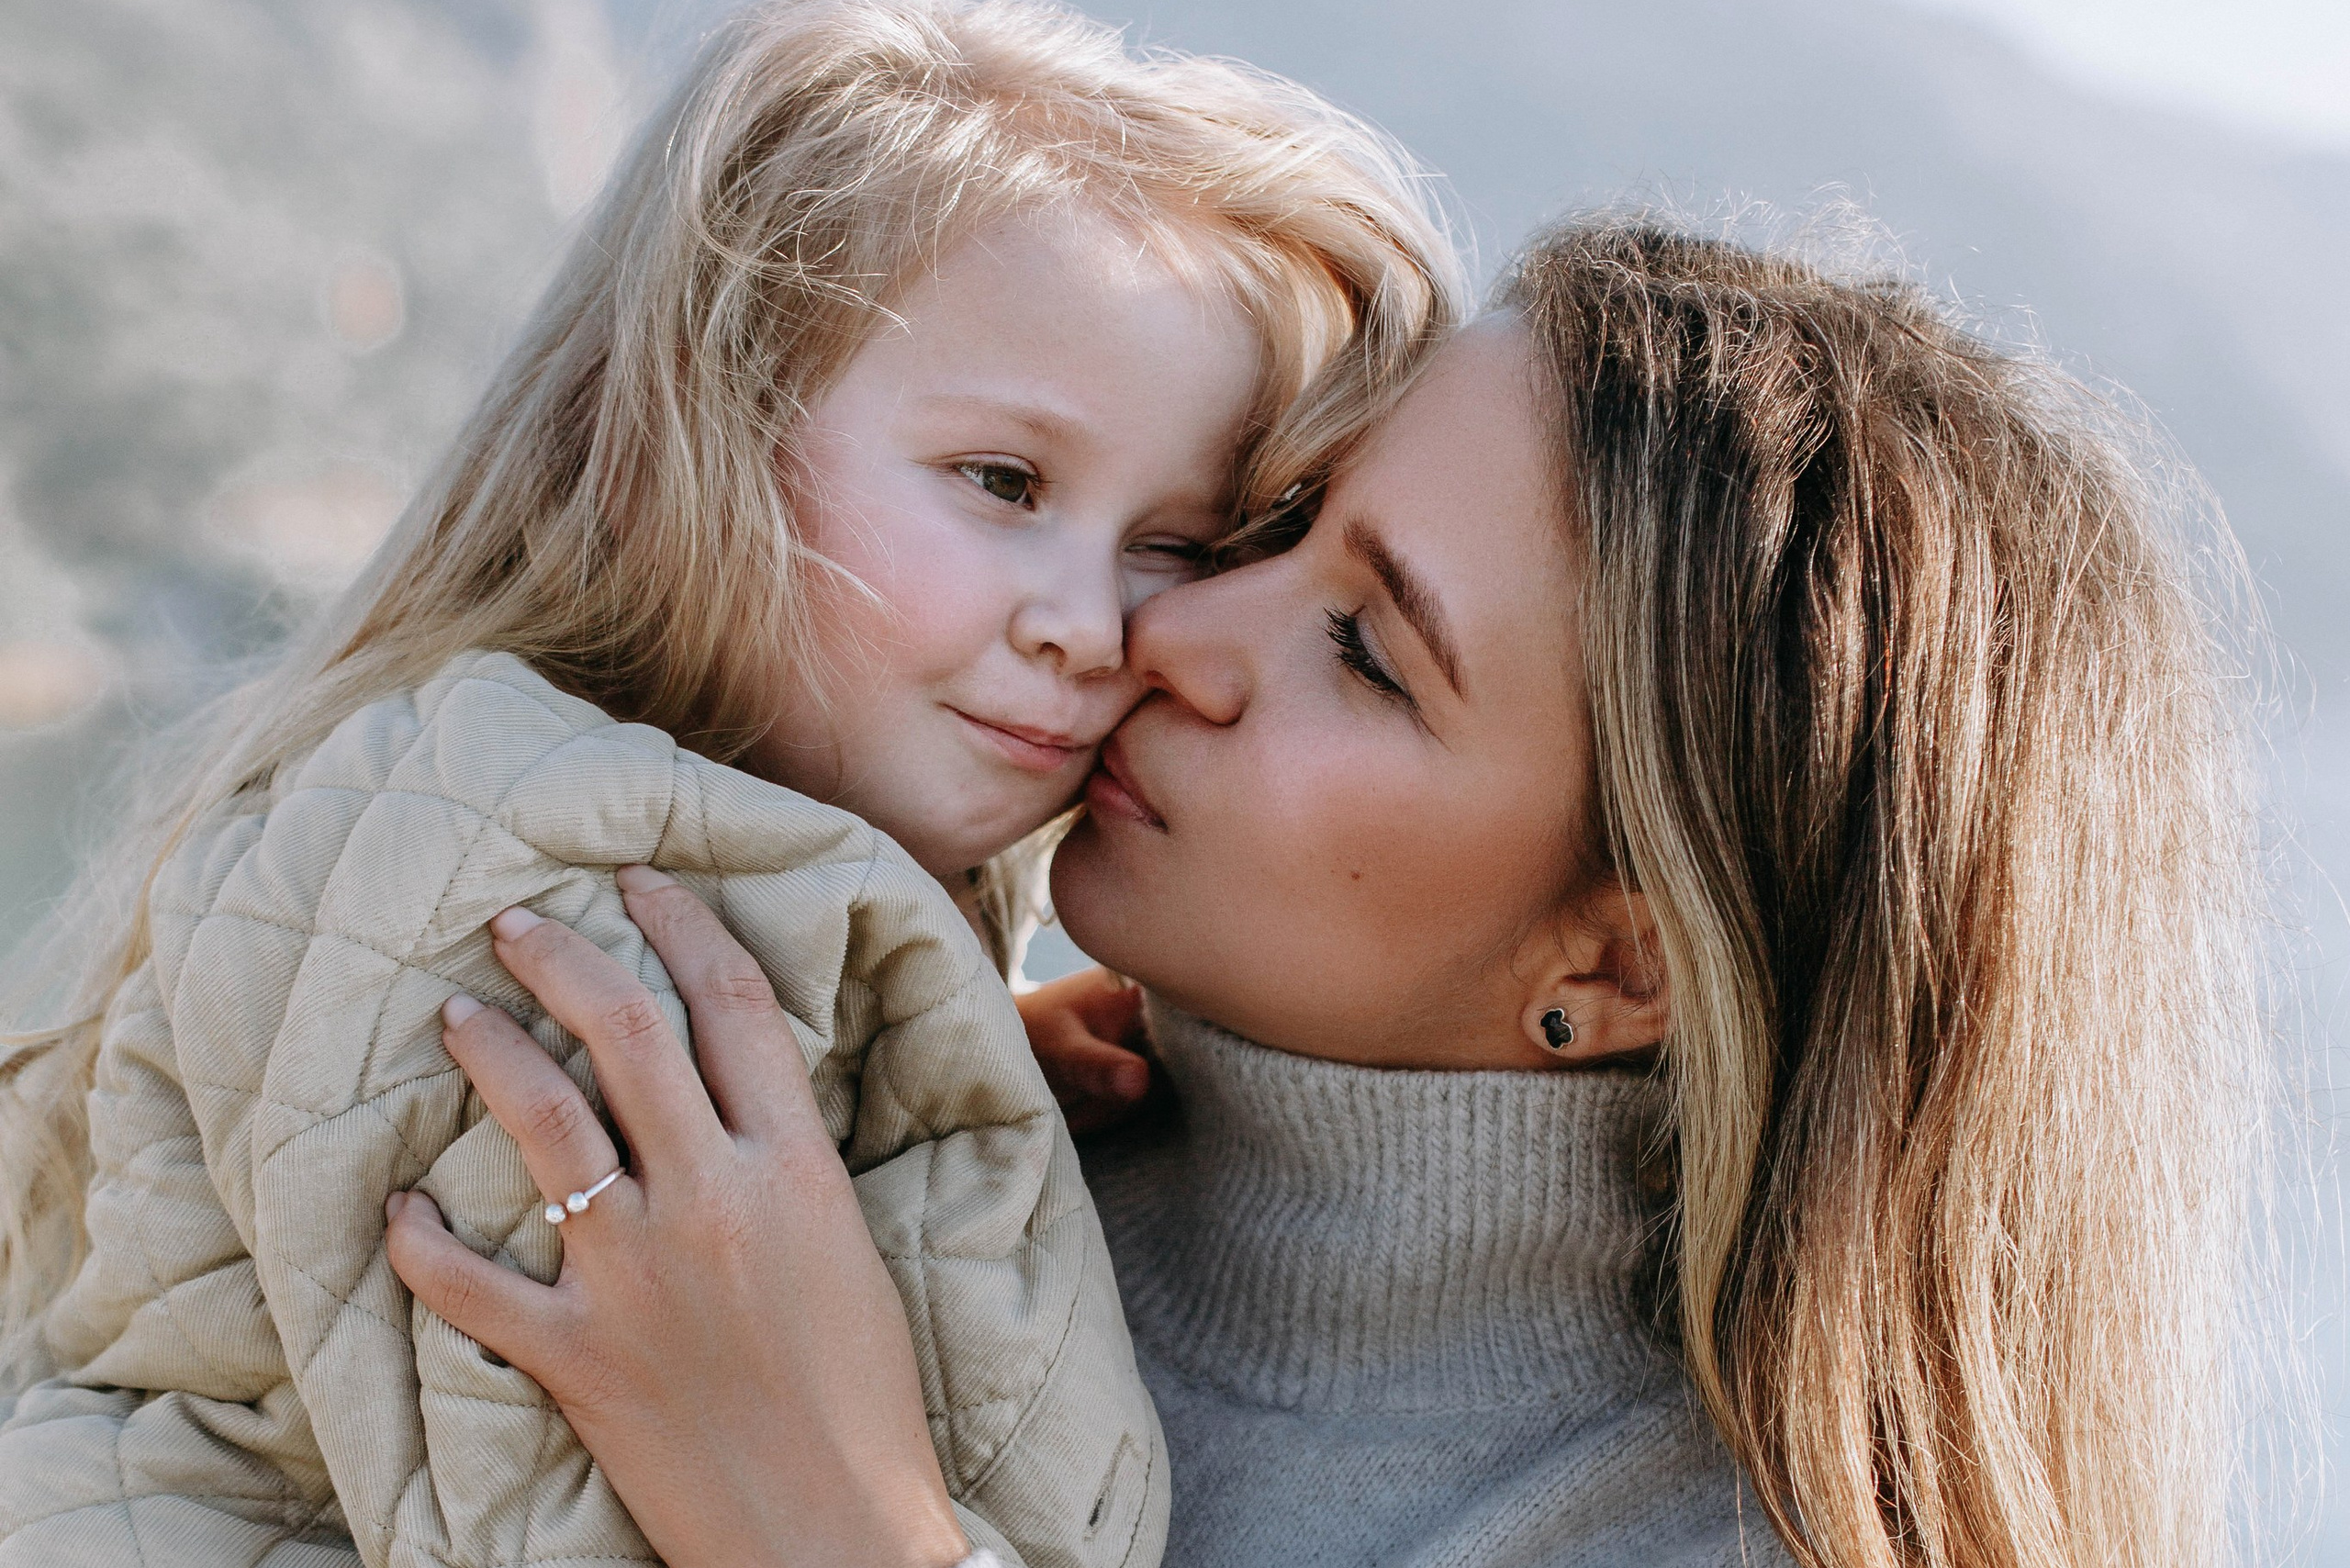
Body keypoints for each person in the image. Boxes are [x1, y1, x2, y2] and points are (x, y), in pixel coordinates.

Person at [384, 216, 2265, 1568]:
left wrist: (820, 1530)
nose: (1177, 626)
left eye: (1366, 647)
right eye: (1274, 526)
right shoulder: (867, 1143)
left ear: (1616, 959)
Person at [0, 4, 1460, 1564]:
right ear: (686, 432)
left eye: (1176, 542)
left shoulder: (657, 871)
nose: (1089, 624)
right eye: (1004, 483)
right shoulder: (534, 926)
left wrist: (929, 1061)